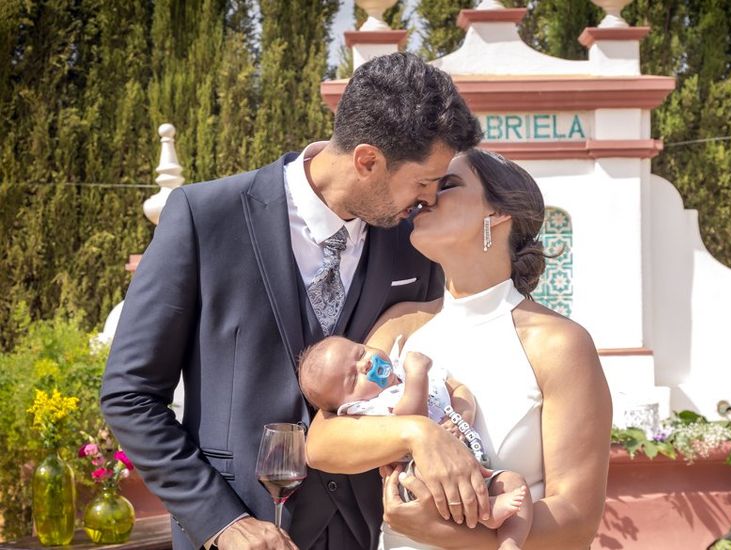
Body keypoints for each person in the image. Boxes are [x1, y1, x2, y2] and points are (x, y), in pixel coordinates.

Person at [100, 52, 484, 550]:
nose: (428, 200)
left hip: (371, 532)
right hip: (239, 533)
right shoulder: (204, 216)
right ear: (367, 160)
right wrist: (221, 522)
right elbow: (129, 394)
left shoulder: (411, 244)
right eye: (423, 182)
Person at [306, 149, 613, 549]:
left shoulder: (558, 343)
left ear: (499, 214)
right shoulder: (401, 323)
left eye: (446, 185)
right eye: (425, 187)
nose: (425, 197)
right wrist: (418, 433)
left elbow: (576, 522)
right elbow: (321, 444)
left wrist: (447, 534)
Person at [297, 336, 532, 549]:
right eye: (352, 379)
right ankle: (487, 510)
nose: (365, 365)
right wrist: (417, 375)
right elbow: (411, 418)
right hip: (419, 477)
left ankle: (509, 543)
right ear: (344, 405)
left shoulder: (400, 367)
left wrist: (460, 417)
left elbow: (459, 390)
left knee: (515, 482)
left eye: (360, 353)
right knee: (422, 474)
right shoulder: (368, 406)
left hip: (470, 463)